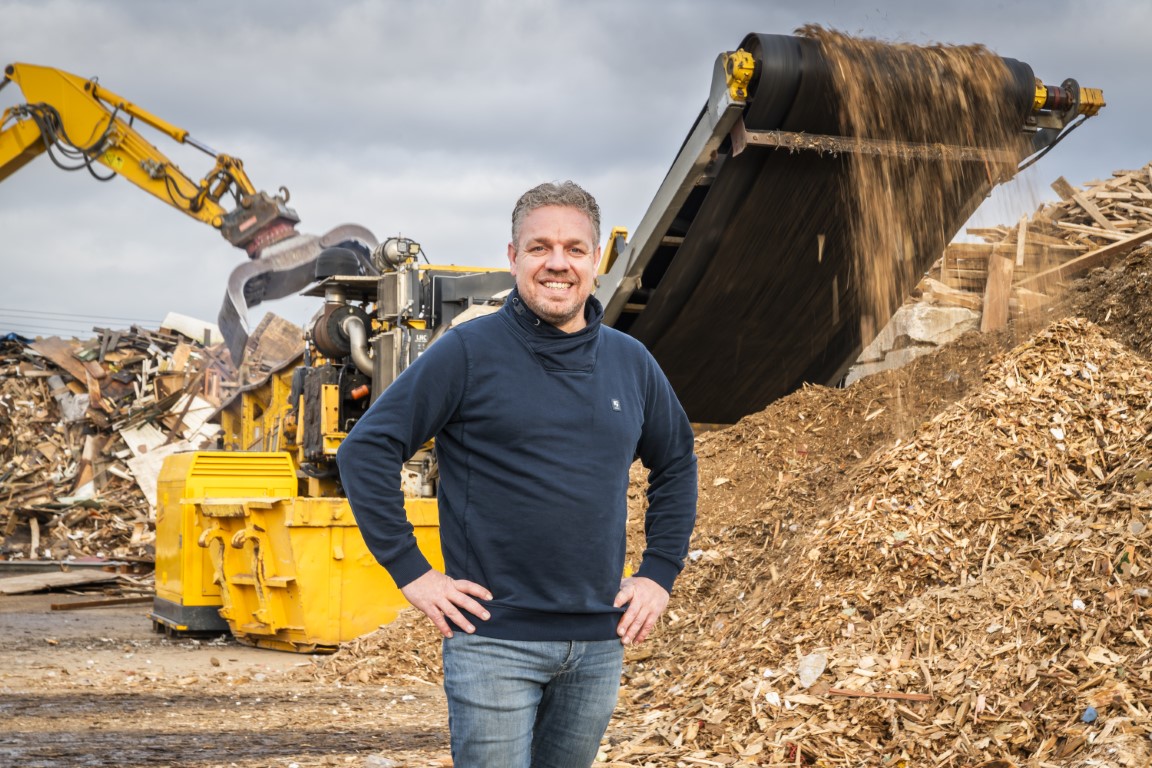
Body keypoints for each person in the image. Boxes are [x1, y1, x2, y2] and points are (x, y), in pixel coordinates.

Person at [336, 181, 698, 768]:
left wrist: (658, 573)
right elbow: (366, 450)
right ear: (513, 258)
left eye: (575, 249)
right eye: (540, 248)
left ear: (596, 260)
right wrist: (414, 574)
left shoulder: (631, 363)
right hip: (496, 643)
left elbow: (677, 462)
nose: (558, 263)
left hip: (599, 646)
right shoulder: (468, 352)